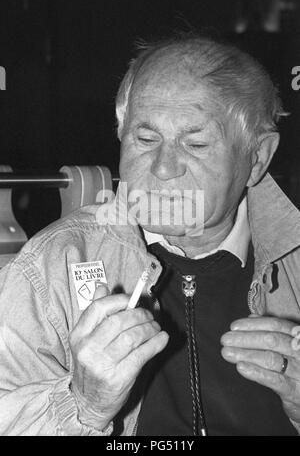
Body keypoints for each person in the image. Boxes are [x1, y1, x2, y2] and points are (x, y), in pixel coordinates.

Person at [1, 34, 300, 436]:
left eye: (195, 144)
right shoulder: (55, 262)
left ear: (257, 158)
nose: (162, 168)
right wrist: (82, 406)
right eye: (145, 139)